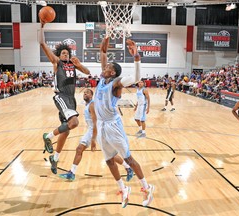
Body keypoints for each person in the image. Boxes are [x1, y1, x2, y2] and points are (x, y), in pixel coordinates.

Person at [94, 37, 154, 208]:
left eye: (107, 68)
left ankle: (147, 187)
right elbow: (104, 56)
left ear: (112, 73)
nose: (104, 68)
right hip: (101, 125)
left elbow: (136, 77)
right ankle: (123, 189)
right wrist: (103, 49)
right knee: (109, 160)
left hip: (113, 125)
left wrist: (136, 57)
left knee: (129, 158)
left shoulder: (116, 83)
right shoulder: (102, 79)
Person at [39, 19, 91, 174]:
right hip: (61, 96)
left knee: (66, 131)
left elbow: (87, 72)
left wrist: (79, 64)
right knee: (74, 122)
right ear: (59, 55)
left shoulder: (73, 65)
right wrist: (42, 26)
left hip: (71, 98)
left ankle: (55, 158)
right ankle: (47, 136)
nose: (65, 54)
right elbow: (42, 43)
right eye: (63, 53)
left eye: (67, 53)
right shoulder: (57, 63)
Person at [58, 89, 134, 181]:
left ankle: (128, 168)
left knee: (111, 155)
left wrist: (93, 139)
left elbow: (95, 122)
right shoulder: (88, 105)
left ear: (91, 96)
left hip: (97, 131)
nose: (85, 93)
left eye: (87, 93)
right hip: (91, 130)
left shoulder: (92, 105)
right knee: (79, 149)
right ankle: (72, 173)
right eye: (84, 92)